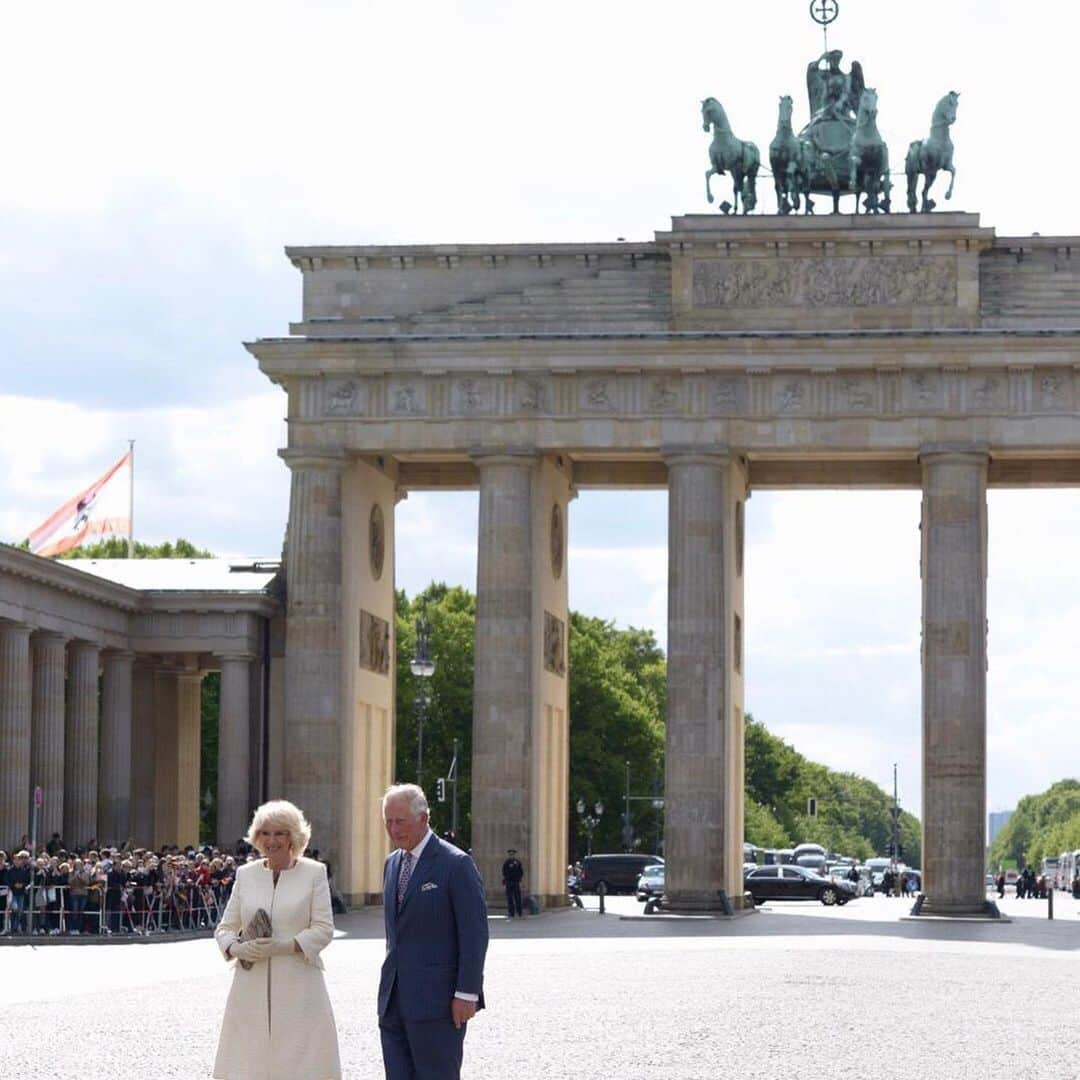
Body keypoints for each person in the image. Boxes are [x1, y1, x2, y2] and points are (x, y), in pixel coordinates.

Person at [212, 799, 341, 1080]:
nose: (272, 840)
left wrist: (285, 946)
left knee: (300, 1060)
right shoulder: (245, 875)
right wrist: (237, 947)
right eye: (265, 833)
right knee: (249, 1059)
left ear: (293, 836)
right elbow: (225, 928)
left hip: (300, 983)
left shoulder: (314, 873)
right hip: (250, 984)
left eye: (280, 833)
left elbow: (323, 928)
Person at [379, 783, 488, 1080]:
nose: (393, 828)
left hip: (439, 1004)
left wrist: (467, 993)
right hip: (393, 1001)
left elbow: (474, 934)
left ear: (424, 818)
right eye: (388, 821)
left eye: (400, 821)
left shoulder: (456, 864)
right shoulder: (391, 864)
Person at [502, 849, 524, 918]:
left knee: (517, 898)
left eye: (512, 854)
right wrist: (506, 879)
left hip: (516, 882)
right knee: (510, 899)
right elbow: (504, 872)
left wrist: (518, 879)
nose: (511, 855)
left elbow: (521, 872)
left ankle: (519, 912)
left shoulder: (518, 862)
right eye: (510, 854)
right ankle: (511, 913)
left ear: (514, 855)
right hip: (509, 882)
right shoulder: (506, 863)